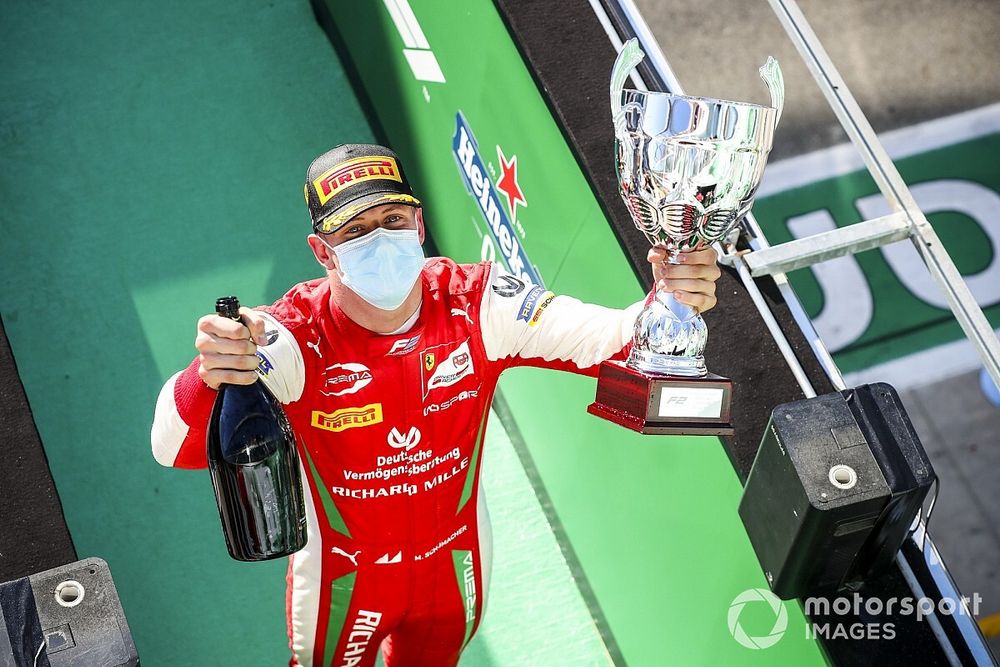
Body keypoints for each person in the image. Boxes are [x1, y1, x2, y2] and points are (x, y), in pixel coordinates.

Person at [151, 143, 722, 666]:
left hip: (455, 566)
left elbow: (615, 338)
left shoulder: (479, 301)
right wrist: (212, 372)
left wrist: (671, 299)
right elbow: (170, 446)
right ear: (322, 252)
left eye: (392, 220)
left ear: (418, 223)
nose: (379, 239)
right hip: (343, 580)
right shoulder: (291, 335)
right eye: (356, 231)